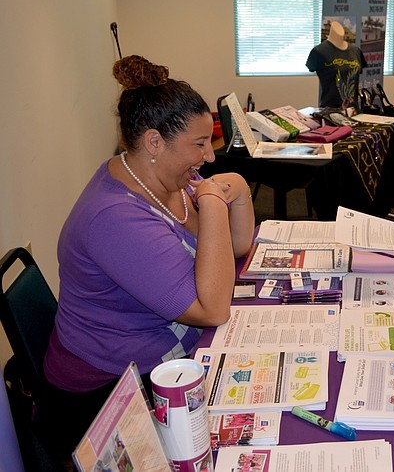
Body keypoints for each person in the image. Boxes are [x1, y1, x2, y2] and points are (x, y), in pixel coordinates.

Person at [41, 55, 255, 463]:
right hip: (106, 395)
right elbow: (212, 308)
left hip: (161, 359)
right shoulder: (114, 218)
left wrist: (240, 189)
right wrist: (212, 202)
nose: (209, 158)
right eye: (198, 144)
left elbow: (236, 246)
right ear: (154, 142)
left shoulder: (167, 176)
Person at [306, 20, 368, 108]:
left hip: (353, 110)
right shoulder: (319, 52)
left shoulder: (356, 51)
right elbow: (311, 68)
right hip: (330, 111)